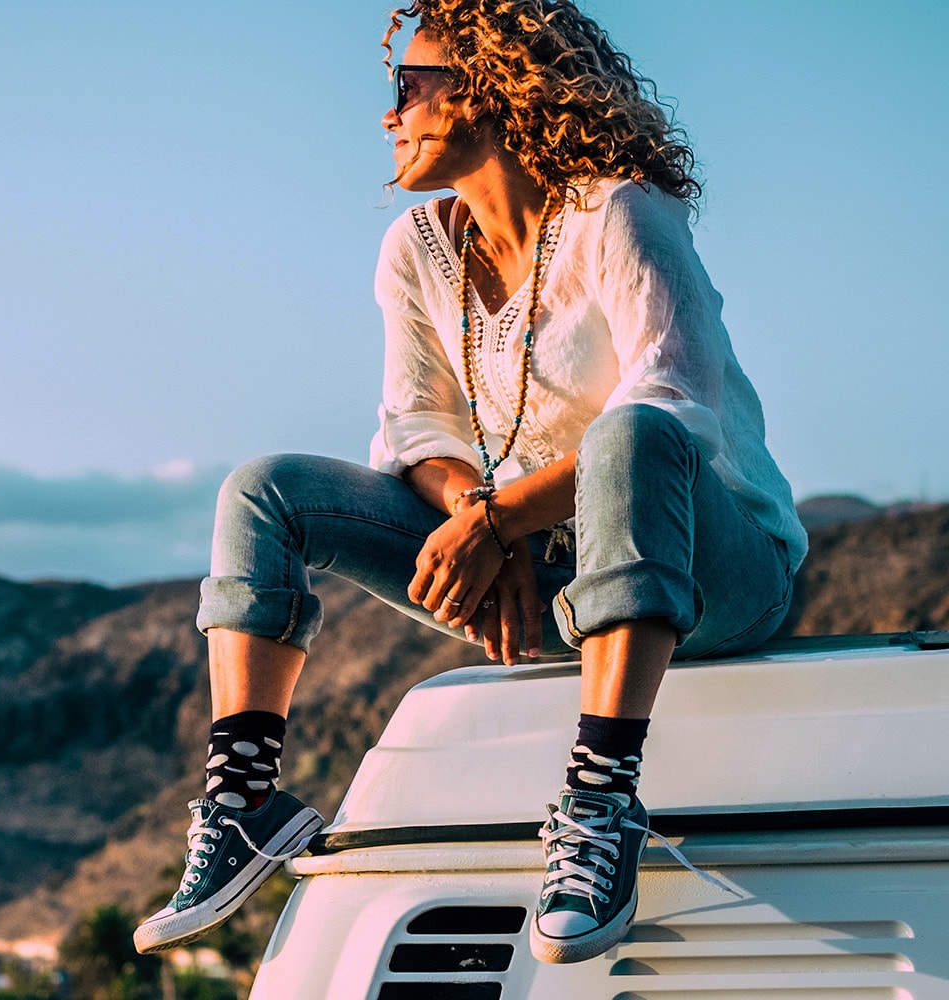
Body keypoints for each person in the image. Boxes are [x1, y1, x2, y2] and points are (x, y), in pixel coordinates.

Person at [131, 0, 803, 966]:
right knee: (263, 490)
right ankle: (243, 801)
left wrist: (501, 521)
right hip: (539, 565)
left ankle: (601, 802)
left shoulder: (622, 213)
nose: (387, 115)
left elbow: (676, 405)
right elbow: (418, 426)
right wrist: (486, 525)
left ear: (490, 90)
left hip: (713, 567)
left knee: (632, 431)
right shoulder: (418, 249)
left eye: (408, 86)